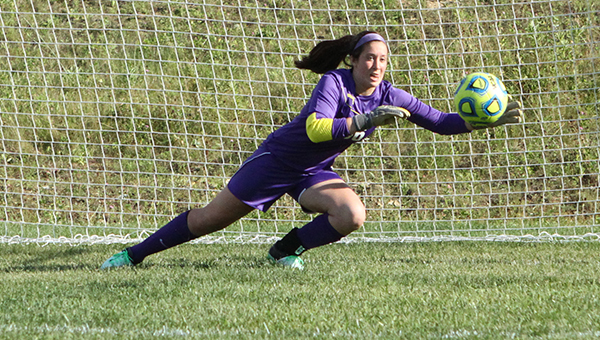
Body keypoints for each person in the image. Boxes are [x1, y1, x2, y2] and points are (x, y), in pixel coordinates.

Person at [101, 31, 522, 270]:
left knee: (351, 214)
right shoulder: (333, 84)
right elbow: (317, 128)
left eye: (383, 60)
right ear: (353, 60)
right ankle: (133, 255)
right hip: (278, 161)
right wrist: (362, 122)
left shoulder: (391, 94)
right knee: (210, 220)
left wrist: (481, 121)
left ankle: (285, 251)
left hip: (313, 170)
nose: (377, 67)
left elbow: (440, 121)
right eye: (370, 59)